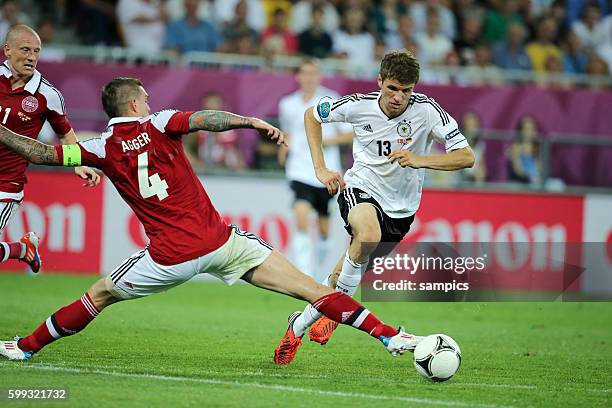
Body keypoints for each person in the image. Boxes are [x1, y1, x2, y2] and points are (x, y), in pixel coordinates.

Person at [0, 77, 422, 364]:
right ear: (133, 104)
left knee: (100, 295)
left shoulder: (98, 148)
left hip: (171, 258)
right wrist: (249, 121)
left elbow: (41, 154)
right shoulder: (160, 122)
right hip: (222, 243)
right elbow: (205, 119)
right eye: (144, 97)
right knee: (312, 289)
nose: (149, 101)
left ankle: (26, 347)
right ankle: (389, 334)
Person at [273, 50, 474, 364]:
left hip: (402, 209)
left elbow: (466, 156)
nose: (398, 97)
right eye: (392, 88)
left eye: (406, 91)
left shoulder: (428, 111)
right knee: (367, 235)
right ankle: (336, 311)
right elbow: (312, 115)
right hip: (360, 188)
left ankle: (298, 326)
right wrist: (321, 168)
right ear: (380, 81)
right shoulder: (358, 105)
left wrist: (421, 160)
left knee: (342, 275)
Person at [0, 24, 99, 273]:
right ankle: (22, 249)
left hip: (5, 184)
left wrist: (79, 163)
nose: (31, 56)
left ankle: (21, 250)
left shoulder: (47, 95)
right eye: (25, 49)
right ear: (7, 50)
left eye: (36, 50)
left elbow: (65, 134)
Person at [277, 59, 352, 280]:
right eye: (304, 73)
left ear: (320, 76)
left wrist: (326, 141)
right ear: (298, 76)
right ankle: (305, 274)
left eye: (313, 73)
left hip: (325, 171)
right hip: (299, 169)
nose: (309, 77)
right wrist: (284, 147)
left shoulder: (330, 100)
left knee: (323, 228)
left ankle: (319, 268)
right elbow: (289, 131)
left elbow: (349, 133)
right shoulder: (287, 104)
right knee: (300, 217)